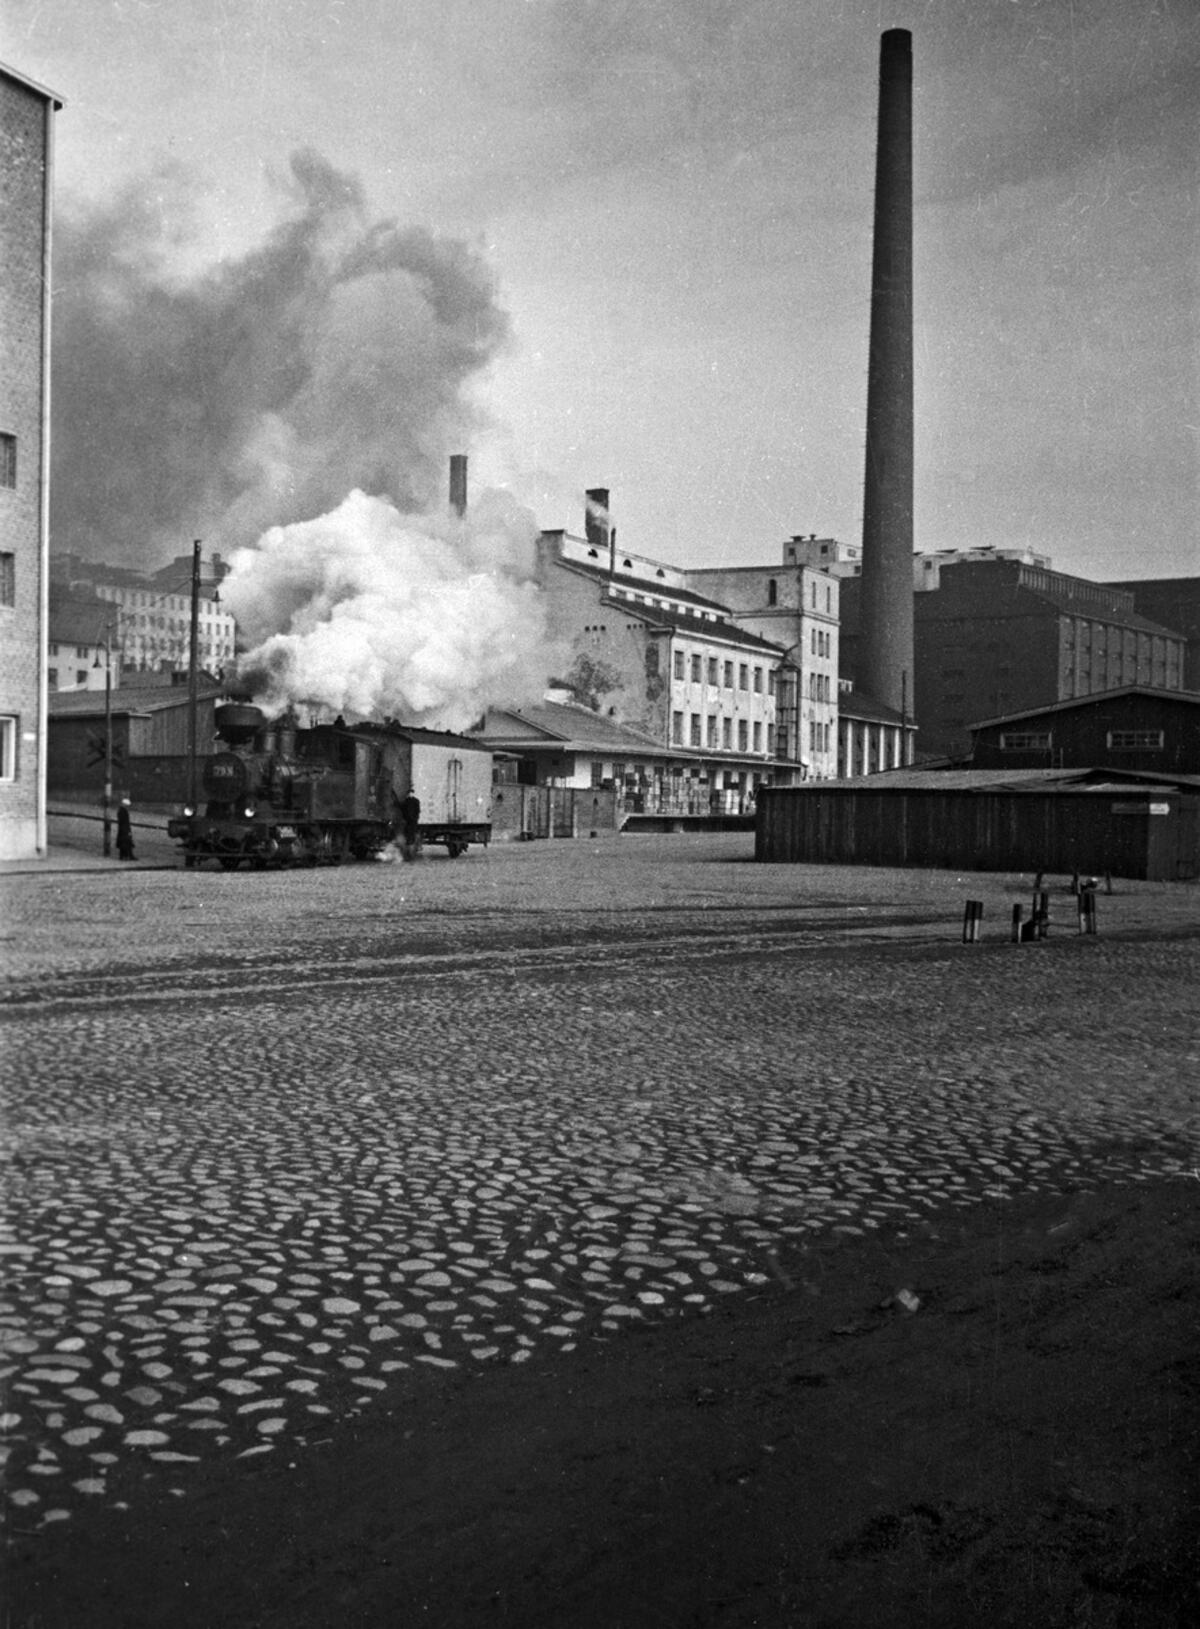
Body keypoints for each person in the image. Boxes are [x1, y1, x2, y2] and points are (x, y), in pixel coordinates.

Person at [399, 790, 421, 856]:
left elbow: (417, 810)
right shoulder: (407, 801)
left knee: (411, 835)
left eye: (411, 793)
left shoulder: (415, 801)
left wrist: (414, 818)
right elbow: (403, 809)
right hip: (408, 821)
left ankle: (411, 850)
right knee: (408, 836)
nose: (410, 794)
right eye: (409, 793)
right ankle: (409, 851)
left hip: (412, 821)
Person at [116, 797, 136, 862]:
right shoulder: (123, 811)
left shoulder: (121, 811)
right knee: (127, 842)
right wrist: (128, 830)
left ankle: (123, 856)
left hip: (122, 830)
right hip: (125, 829)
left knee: (124, 843)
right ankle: (128, 855)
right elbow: (125, 822)